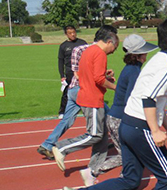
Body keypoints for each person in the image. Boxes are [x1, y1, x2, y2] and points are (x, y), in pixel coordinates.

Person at [60, 17, 167, 190]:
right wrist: (156, 130)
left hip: (127, 124)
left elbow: (157, 100)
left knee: (130, 180)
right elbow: (148, 98)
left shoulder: (158, 61)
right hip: (139, 127)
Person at [100, 33, 159, 190]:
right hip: (120, 119)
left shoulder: (131, 69)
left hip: (115, 117)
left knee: (129, 156)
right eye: (144, 52)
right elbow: (131, 100)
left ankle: (106, 179)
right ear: (139, 54)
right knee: (127, 157)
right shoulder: (134, 72)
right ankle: (110, 184)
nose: (147, 55)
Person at [51, 26, 119, 172]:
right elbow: (99, 79)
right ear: (109, 42)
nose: (114, 51)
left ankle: (94, 168)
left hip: (89, 96)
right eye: (114, 47)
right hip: (92, 98)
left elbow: (89, 74)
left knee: (101, 136)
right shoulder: (100, 54)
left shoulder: (88, 51)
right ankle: (62, 148)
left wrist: (104, 76)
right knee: (95, 135)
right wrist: (115, 87)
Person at [37, 37, 91, 160]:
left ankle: (47, 144)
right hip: (82, 90)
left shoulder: (81, 48)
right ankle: (62, 148)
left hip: (72, 89)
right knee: (106, 114)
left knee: (67, 120)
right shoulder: (92, 50)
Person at [57, 26, 87, 118]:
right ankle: (62, 111)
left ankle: (85, 108)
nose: (73, 34)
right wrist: (62, 75)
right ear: (66, 34)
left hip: (82, 71)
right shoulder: (63, 46)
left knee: (85, 90)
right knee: (67, 92)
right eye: (70, 33)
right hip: (70, 72)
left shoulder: (82, 43)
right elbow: (60, 61)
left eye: (74, 32)